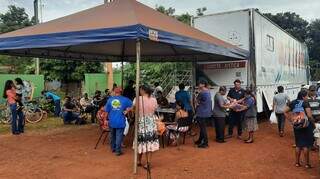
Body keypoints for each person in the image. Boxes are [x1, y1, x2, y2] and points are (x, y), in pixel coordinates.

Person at [284, 90, 314, 168]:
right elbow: (310, 116)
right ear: (303, 96)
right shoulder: (305, 103)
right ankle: (307, 164)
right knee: (305, 145)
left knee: (298, 144)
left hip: (296, 125)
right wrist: (313, 124)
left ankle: (297, 163)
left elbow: (284, 111)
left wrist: (291, 120)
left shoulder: (293, 102)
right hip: (305, 125)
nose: (307, 97)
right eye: (307, 96)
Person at [134, 85, 159, 169]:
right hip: (151, 122)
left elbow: (134, 109)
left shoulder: (137, 99)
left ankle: (138, 161)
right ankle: (148, 162)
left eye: (140, 90)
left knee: (140, 141)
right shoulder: (154, 100)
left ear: (143, 90)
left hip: (141, 122)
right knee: (149, 142)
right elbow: (155, 109)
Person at [105, 87, 132, 156]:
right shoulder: (125, 100)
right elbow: (133, 105)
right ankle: (118, 151)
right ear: (121, 92)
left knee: (112, 135)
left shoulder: (110, 100)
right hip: (120, 120)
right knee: (119, 136)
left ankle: (113, 148)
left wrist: (106, 119)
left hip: (112, 121)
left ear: (114, 92)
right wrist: (127, 110)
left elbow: (106, 111)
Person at [194, 79, 212, 148]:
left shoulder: (202, 92)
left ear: (203, 84)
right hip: (207, 112)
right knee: (202, 128)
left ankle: (205, 143)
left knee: (202, 128)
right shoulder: (208, 91)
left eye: (200, 84)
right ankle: (200, 140)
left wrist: (197, 95)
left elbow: (196, 101)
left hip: (201, 112)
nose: (198, 85)